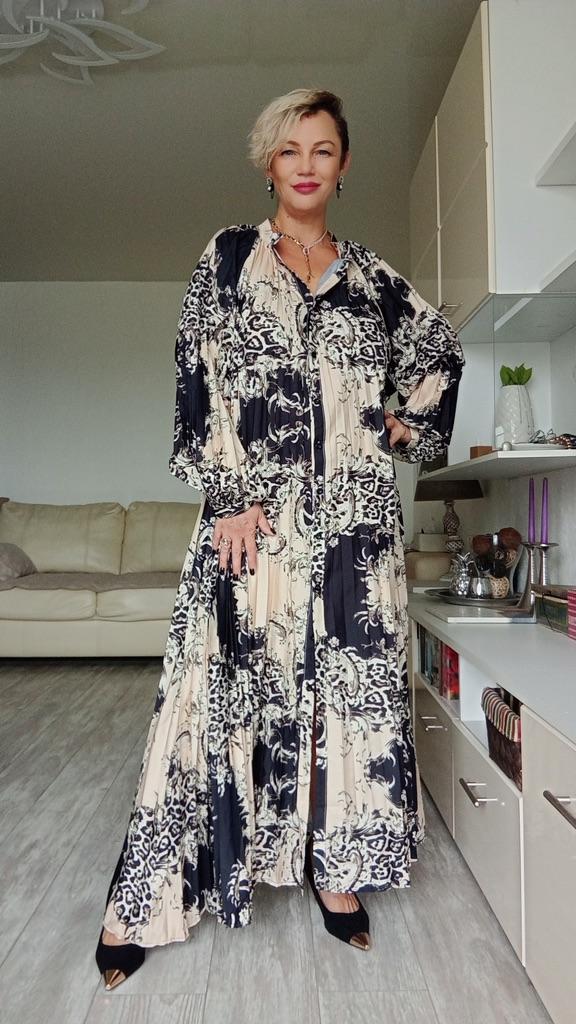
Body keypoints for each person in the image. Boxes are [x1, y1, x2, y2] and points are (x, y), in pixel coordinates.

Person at [95, 87, 465, 988]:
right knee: (216, 698)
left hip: (355, 533)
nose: (306, 165)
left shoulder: (372, 279)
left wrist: (401, 429)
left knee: (350, 701)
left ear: (343, 166)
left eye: (323, 150)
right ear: (270, 163)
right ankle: (150, 899)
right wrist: (228, 495)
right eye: (290, 149)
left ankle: (337, 875)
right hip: (251, 527)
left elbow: (441, 354)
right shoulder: (229, 257)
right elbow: (198, 374)